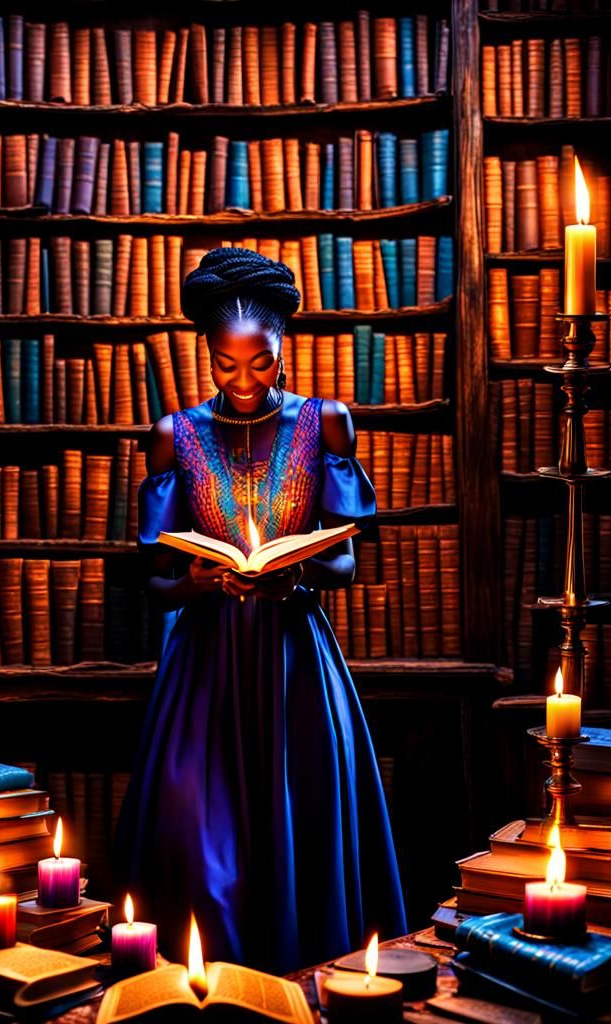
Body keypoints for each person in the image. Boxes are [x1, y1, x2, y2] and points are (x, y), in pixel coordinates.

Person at [111, 247, 406, 976]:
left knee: (302, 819)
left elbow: (345, 563)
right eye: (225, 365)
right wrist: (198, 582)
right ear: (206, 354)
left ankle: (302, 983)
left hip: (296, 665)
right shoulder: (174, 436)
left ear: (283, 346)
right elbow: (156, 584)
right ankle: (205, 987)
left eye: (262, 363)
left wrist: (296, 576)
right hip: (203, 671)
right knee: (198, 837)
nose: (244, 382)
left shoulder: (326, 423)